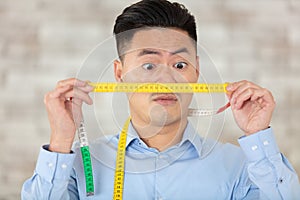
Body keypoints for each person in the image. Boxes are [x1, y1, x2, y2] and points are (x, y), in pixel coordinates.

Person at [22, 0, 300, 199]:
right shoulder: (80, 166)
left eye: (180, 65)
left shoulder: (241, 166)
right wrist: (60, 141)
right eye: (149, 66)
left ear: (197, 72)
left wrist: (258, 135)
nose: (167, 80)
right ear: (119, 74)